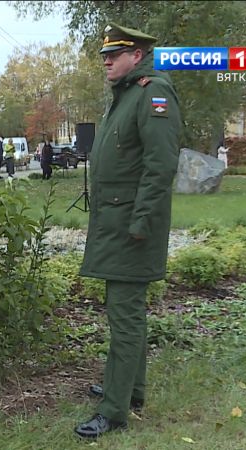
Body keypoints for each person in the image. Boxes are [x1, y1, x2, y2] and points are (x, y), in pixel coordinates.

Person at [75, 23, 182, 439]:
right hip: (118, 224)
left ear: (136, 55)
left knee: (124, 317)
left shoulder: (153, 93)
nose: (106, 60)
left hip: (133, 229)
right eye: (104, 54)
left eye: (114, 54)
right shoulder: (126, 96)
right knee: (127, 313)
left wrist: (141, 223)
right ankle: (130, 390)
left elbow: (161, 167)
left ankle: (114, 410)